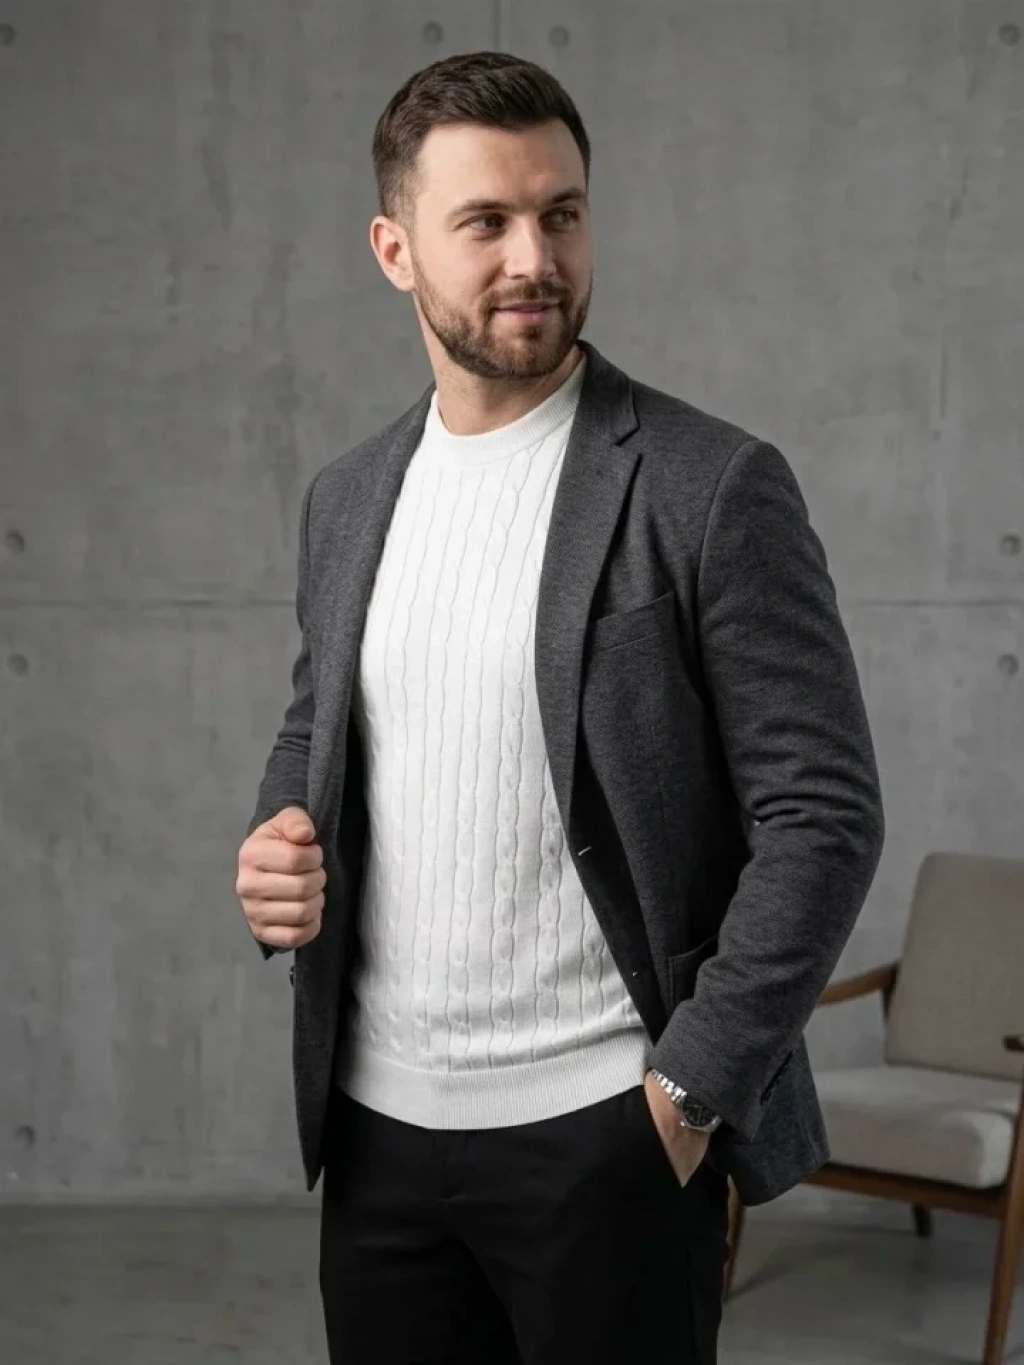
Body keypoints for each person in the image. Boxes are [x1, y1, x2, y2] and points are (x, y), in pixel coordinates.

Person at [235, 50, 884, 1365]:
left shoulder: (709, 485)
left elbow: (823, 815)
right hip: (377, 1139)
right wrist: (277, 840)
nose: (535, 257)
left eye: (562, 213)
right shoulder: (347, 498)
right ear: (395, 249)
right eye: (485, 221)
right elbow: (322, 726)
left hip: (610, 1137)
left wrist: (686, 1097)